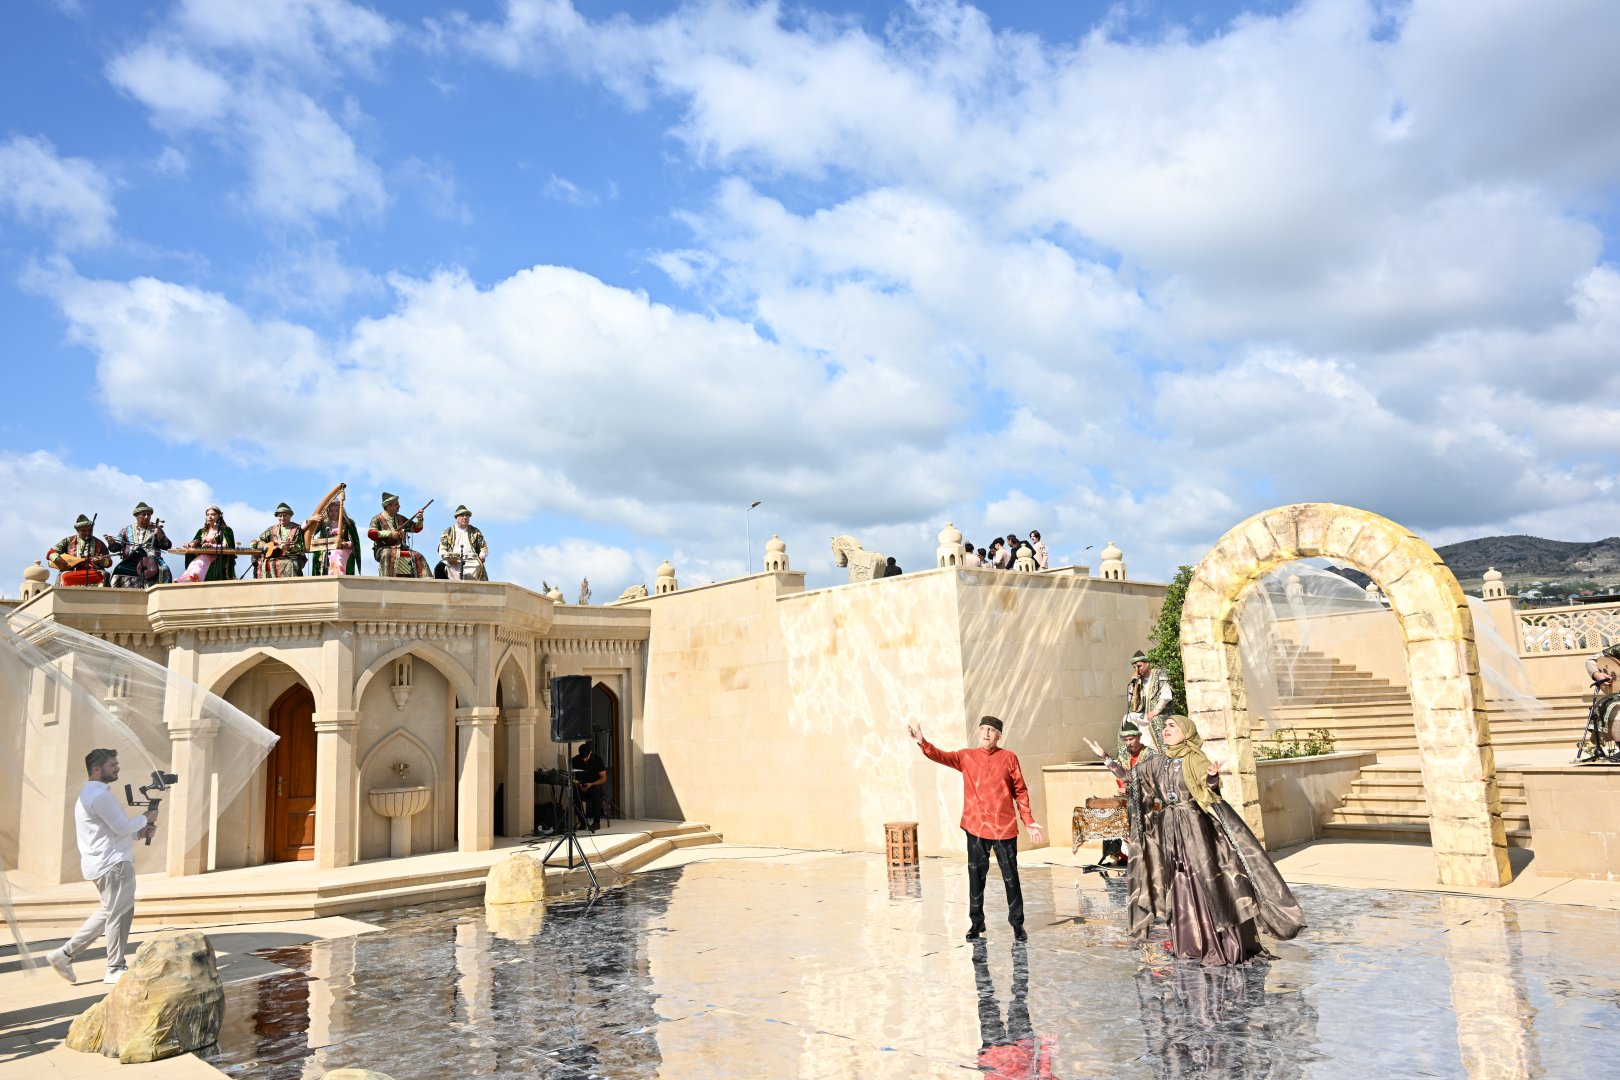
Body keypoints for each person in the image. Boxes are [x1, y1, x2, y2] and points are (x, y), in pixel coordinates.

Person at [1085, 715, 1304, 965]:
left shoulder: (1195, 758)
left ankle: (1217, 943)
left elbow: (1209, 788)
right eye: (1164, 726)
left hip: (1195, 828)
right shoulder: (1158, 762)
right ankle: (1191, 944)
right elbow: (1130, 778)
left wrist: (1212, 777)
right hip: (1169, 829)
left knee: (1203, 880)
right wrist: (1105, 758)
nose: (1166, 730)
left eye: (1172, 726)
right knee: (1178, 882)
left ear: (1186, 731)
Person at [907, 716, 1044, 941]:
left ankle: (1017, 924)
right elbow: (940, 756)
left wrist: (1028, 821)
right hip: (976, 827)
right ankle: (976, 923)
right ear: (979, 732)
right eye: (983, 729)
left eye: (991, 730)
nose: (986, 733)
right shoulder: (966, 756)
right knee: (975, 877)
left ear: (999, 735)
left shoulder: (1009, 758)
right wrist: (922, 741)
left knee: (1011, 878)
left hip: (1004, 829)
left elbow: (1020, 791)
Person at [42, 749, 158, 985]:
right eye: (112, 765)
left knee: (109, 911)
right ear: (96, 769)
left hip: (106, 862)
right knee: (120, 915)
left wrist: (139, 832)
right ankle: (115, 968)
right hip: (114, 864)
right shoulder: (99, 796)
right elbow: (121, 826)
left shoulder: (91, 795)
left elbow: (108, 832)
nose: (117, 768)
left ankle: (64, 955)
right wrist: (145, 817)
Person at [1099, 719, 1155, 867]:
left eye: (1131, 739)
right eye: (1126, 740)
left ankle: (1143, 858)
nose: (1128, 743)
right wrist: (1122, 787)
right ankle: (1121, 856)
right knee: (1114, 818)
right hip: (1126, 797)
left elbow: (1150, 778)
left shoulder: (1151, 754)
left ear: (1138, 737)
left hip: (1145, 798)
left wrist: (1131, 787)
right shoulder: (1123, 754)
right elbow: (1120, 774)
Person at [106, 502, 173, 588]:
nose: (147, 517)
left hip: (152, 561)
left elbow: (167, 546)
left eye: (149, 514)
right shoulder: (126, 530)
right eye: (144, 514)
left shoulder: (156, 529)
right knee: (118, 570)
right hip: (131, 559)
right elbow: (116, 547)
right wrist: (112, 543)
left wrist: (160, 536)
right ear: (136, 516)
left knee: (164, 570)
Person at [368, 493, 431, 578]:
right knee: (387, 554)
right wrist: (390, 534)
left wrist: (420, 519)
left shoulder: (401, 518)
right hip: (383, 548)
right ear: (388, 506)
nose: (399, 506)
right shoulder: (377, 519)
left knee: (419, 556)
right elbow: (371, 533)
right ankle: (386, 580)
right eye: (396, 504)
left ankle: (426, 581)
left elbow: (415, 528)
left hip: (401, 548)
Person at [1126, 649, 1174, 748]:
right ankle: (1138, 750)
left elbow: (1166, 695)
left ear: (1147, 664)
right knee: (1128, 719)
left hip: (1162, 713)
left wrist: (1155, 711)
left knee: (1155, 720)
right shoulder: (1138, 680)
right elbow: (1132, 704)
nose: (1137, 669)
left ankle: (1163, 751)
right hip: (1145, 714)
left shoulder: (1160, 674)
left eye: (1139, 666)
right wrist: (1134, 685)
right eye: (1134, 667)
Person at [47, 515, 112, 585]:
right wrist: (57, 560)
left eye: (89, 530)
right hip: (73, 572)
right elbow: (51, 552)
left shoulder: (99, 543)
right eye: (83, 531)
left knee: (104, 576)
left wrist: (102, 561)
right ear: (77, 530)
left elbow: (109, 562)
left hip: (93, 572)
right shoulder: (68, 541)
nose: (87, 533)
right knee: (65, 577)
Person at [177, 506, 237, 582]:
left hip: (218, 556)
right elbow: (196, 541)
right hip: (204, 555)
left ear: (219, 516)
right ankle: (187, 578)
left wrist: (212, 546)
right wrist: (190, 545)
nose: (210, 517)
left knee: (200, 560)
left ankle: (191, 578)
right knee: (195, 562)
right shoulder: (202, 531)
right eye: (208, 515)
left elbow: (226, 545)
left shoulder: (225, 530)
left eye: (213, 514)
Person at [308, 498, 361, 576]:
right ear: (327, 511)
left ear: (340, 511)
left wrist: (344, 544)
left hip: (343, 549)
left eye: (336, 511)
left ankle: (337, 578)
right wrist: (310, 520)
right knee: (319, 554)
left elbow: (354, 542)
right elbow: (310, 533)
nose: (333, 513)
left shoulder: (348, 523)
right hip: (326, 549)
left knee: (336, 555)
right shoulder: (323, 523)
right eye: (331, 511)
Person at [253, 503, 307, 578]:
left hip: (291, 557)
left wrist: (289, 548)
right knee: (264, 563)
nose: (282, 518)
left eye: (285, 516)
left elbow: (301, 547)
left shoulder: (297, 529)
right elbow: (259, 540)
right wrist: (268, 547)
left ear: (290, 516)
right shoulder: (272, 529)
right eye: (280, 516)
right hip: (273, 557)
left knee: (288, 564)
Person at [438, 505, 490, 581]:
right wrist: (448, 556)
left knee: (478, 565)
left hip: (472, 561)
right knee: (442, 567)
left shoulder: (475, 531)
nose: (465, 517)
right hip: (453, 561)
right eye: (462, 515)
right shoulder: (448, 532)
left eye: (467, 515)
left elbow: (483, 547)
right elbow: (442, 548)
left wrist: (482, 555)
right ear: (456, 517)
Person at [570, 743, 608, 832]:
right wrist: (579, 784)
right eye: (582, 757)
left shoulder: (597, 760)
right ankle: (582, 821)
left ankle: (596, 822)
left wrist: (591, 784)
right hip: (580, 786)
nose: (585, 759)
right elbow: (572, 777)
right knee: (574, 794)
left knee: (595, 792)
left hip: (594, 786)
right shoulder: (574, 760)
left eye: (586, 757)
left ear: (590, 752)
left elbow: (603, 779)